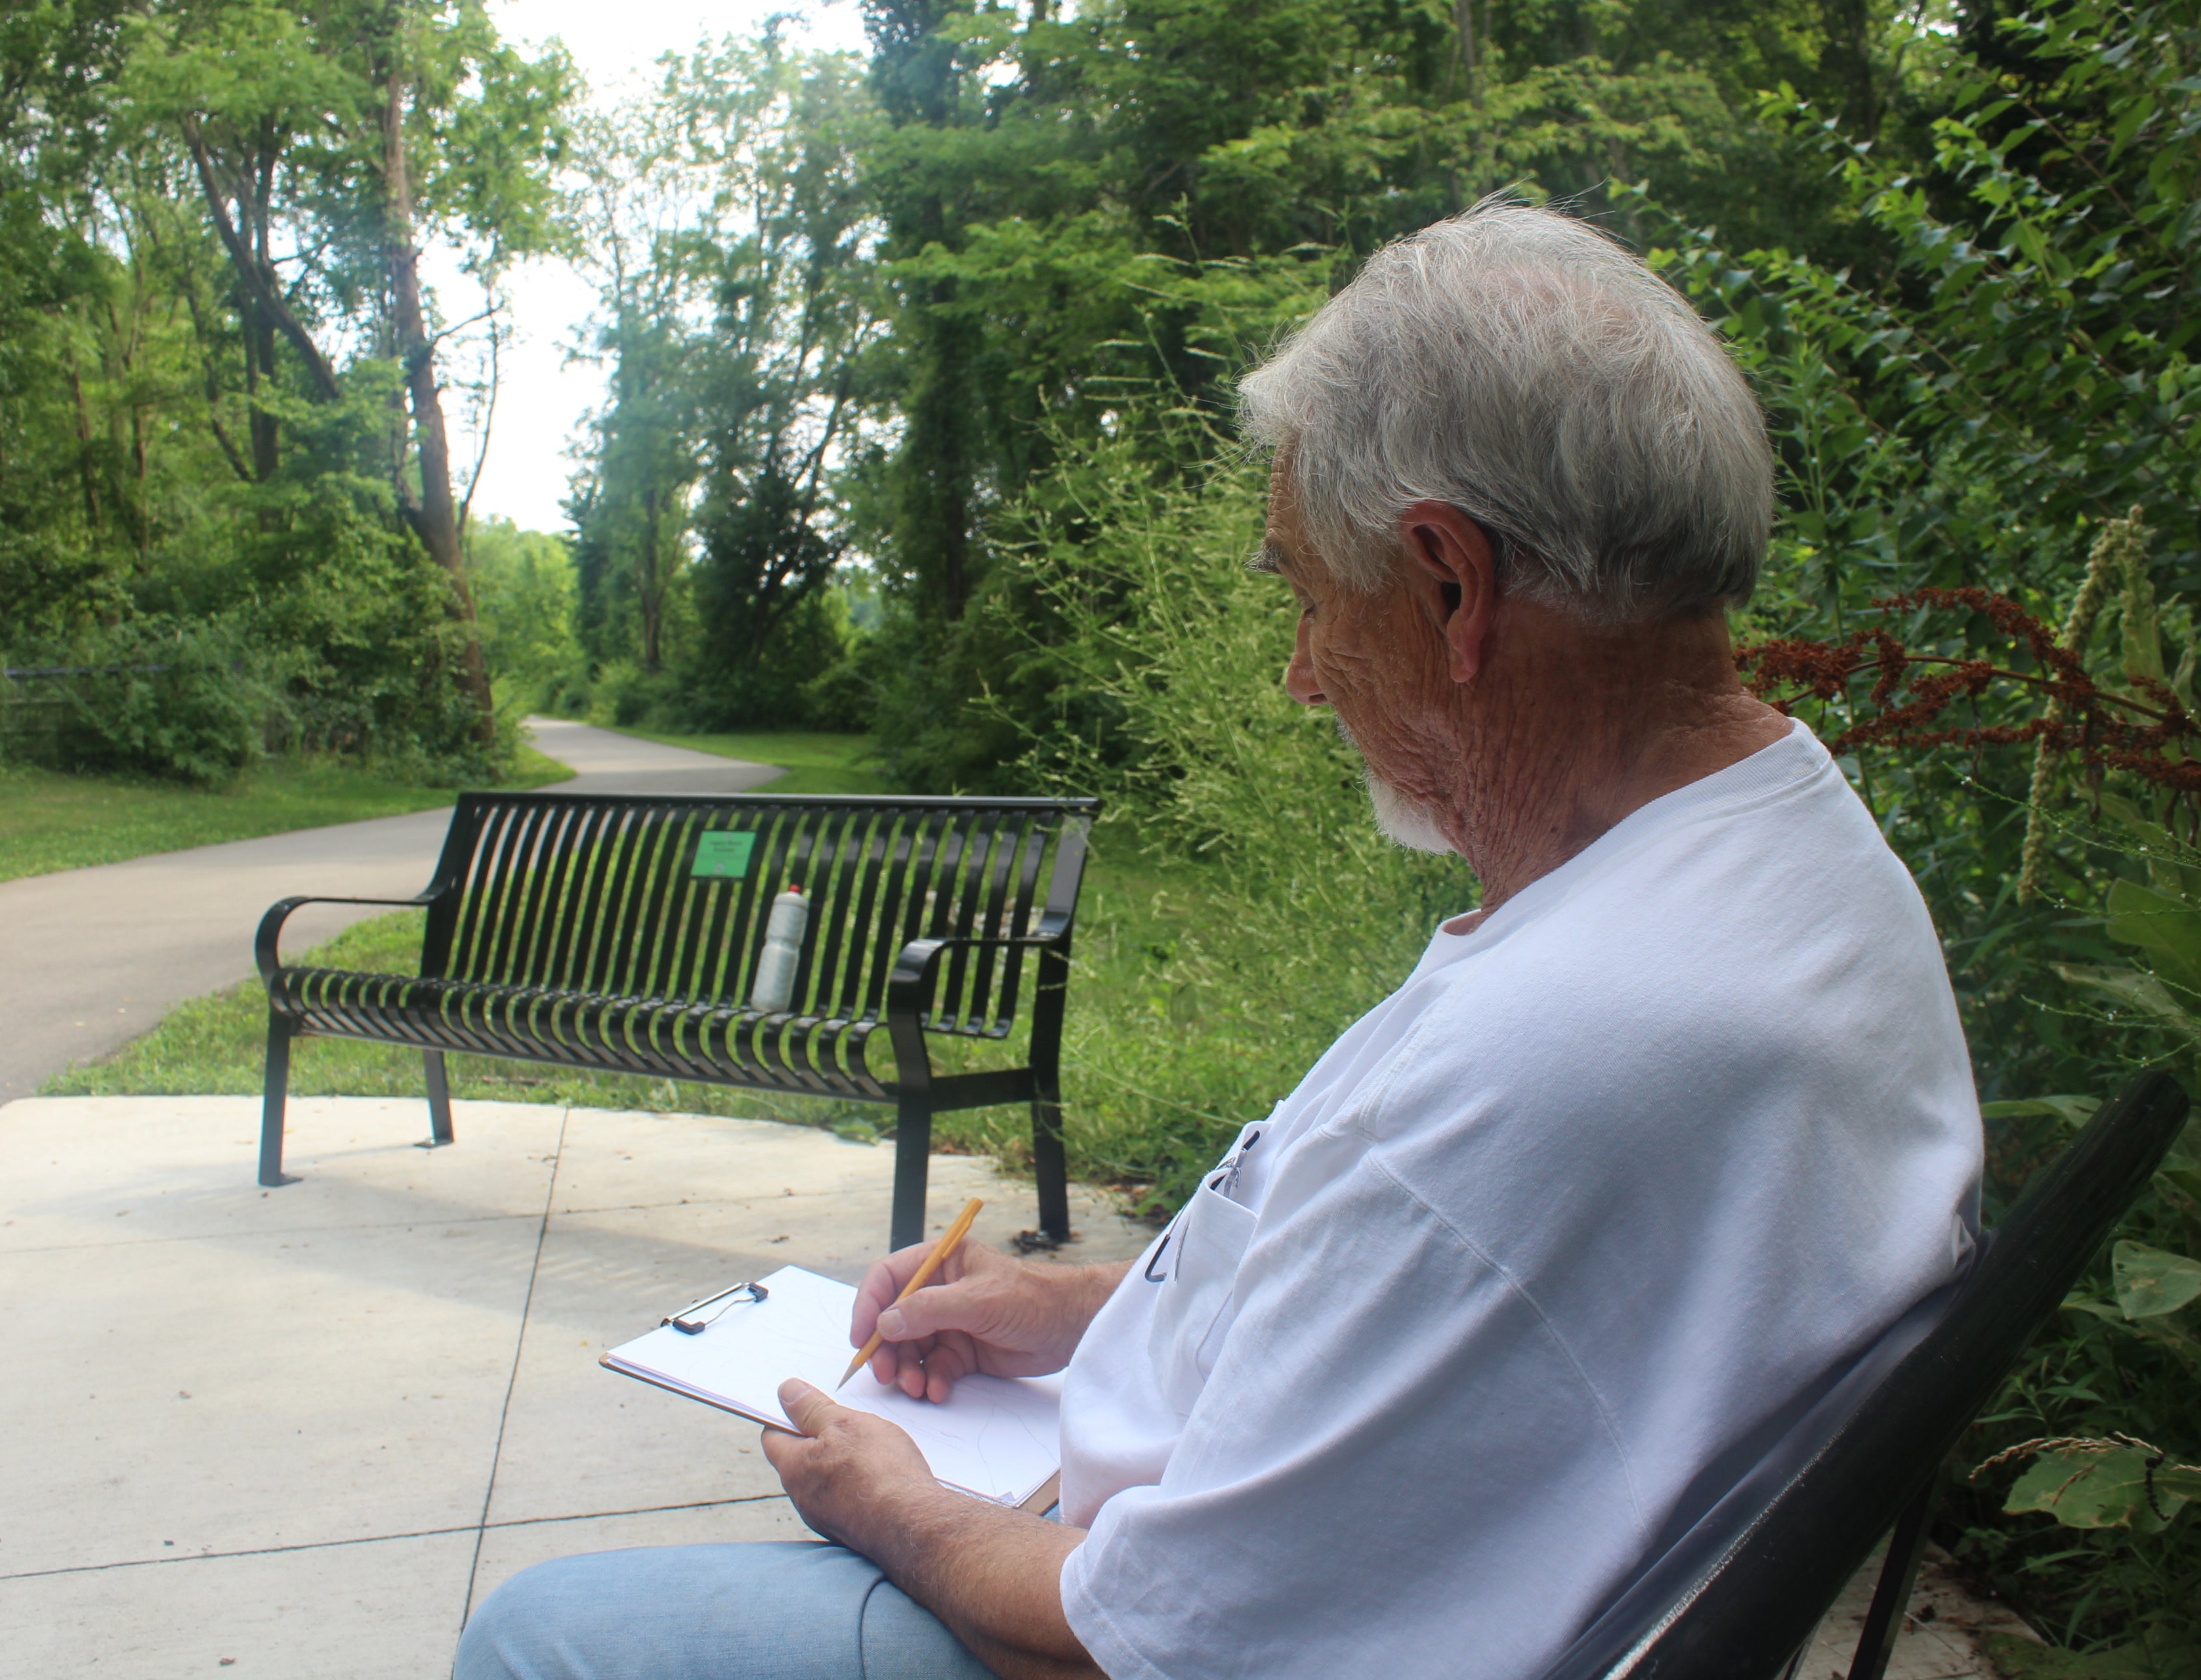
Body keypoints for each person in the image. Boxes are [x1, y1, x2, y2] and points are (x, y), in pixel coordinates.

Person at [455, 198, 1982, 1680]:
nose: (1305, 677)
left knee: (542, 1636)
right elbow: (1444, 1329)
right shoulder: (1784, 865)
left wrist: (888, 1492)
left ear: (1452, 581)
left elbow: (1134, 1645)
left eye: (1316, 601)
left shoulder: (1559, 1050)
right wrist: (1079, 1310)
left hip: (1100, 1624)